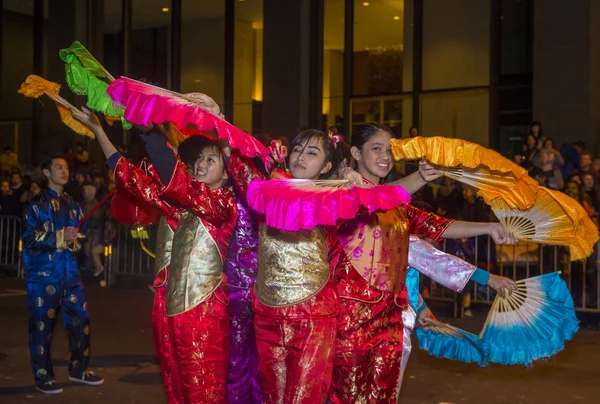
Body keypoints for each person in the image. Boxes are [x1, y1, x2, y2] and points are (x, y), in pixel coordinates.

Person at [329, 123, 518, 404]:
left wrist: (489, 227)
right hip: (349, 319)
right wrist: (420, 177)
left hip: (391, 320)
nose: (385, 157)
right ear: (356, 152)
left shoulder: (399, 204)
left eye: (390, 151)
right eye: (376, 149)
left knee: (384, 397)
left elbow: (436, 226)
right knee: (347, 397)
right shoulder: (341, 193)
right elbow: (374, 203)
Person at [73, 106, 238, 403]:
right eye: (199, 158)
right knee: (175, 387)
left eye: (210, 160)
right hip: (170, 308)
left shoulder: (223, 206)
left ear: (227, 174)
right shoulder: (181, 205)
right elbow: (131, 178)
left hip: (205, 313)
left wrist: (150, 130)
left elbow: (177, 179)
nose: (200, 163)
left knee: (204, 392)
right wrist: (99, 130)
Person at [22, 153, 103, 394]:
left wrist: (75, 241)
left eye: (66, 168)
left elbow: (77, 243)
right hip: (43, 276)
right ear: (46, 173)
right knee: (42, 327)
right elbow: (29, 239)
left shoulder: (73, 205)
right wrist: (59, 237)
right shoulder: (35, 205)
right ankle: (43, 376)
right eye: (59, 167)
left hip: (70, 275)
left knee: (81, 323)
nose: (64, 172)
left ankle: (79, 369)